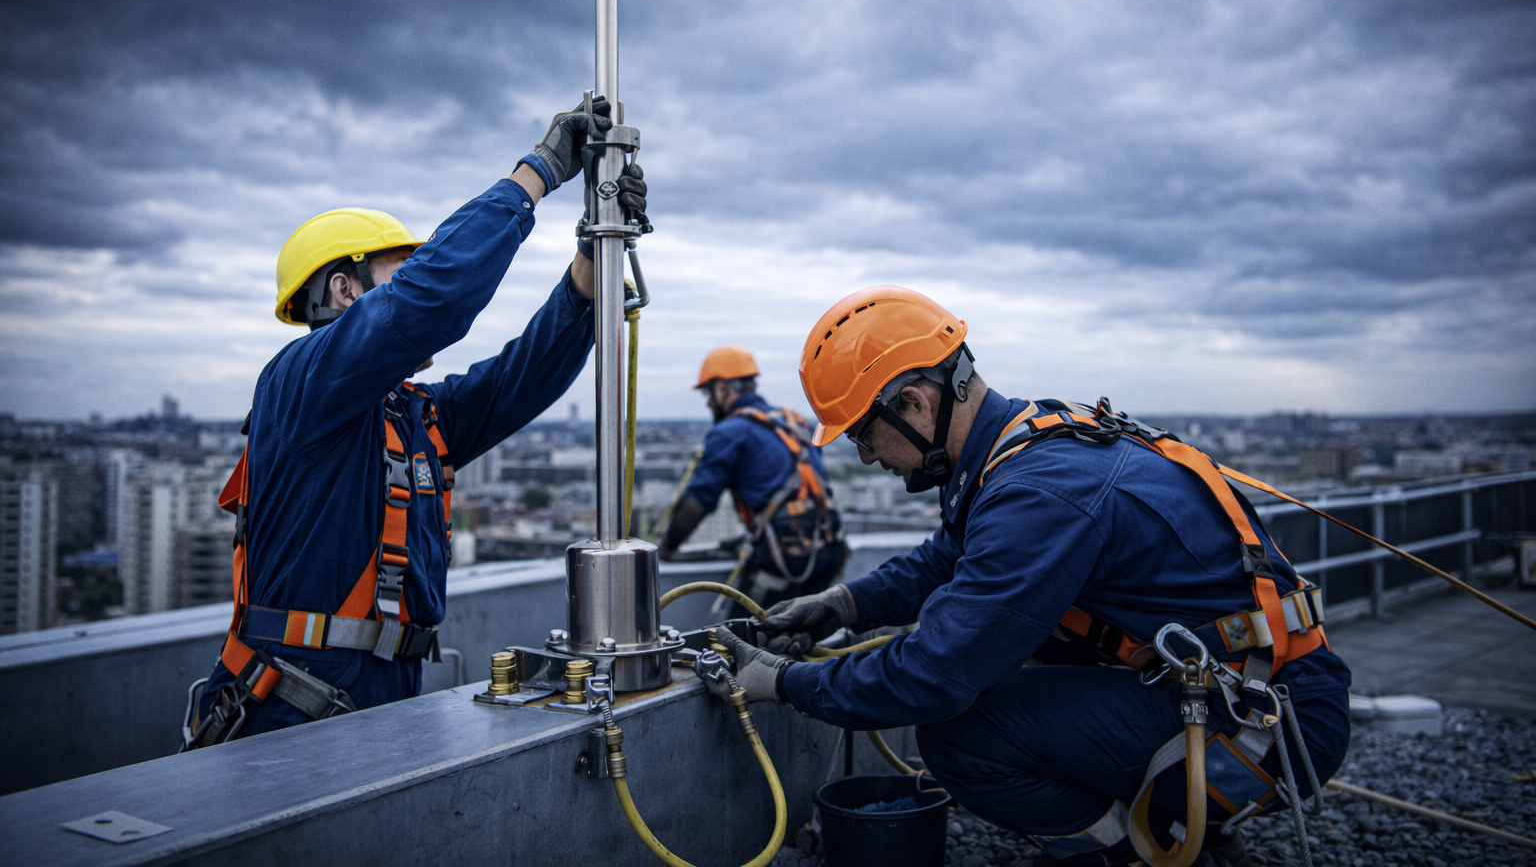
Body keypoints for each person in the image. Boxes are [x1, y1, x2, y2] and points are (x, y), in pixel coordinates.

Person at [704, 286, 1351, 867]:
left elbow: (934, 675)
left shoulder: (1040, 493)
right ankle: (1180, 824)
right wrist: (843, 604)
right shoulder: (1022, 445)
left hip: (1263, 725)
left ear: (913, 402)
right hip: (1244, 689)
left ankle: (1139, 853)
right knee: (1009, 662)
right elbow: (945, 560)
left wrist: (782, 682)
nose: (868, 455)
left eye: (864, 436)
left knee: (960, 732)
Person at [186, 97, 649, 744]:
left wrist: (593, 252)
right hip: (289, 711)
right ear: (345, 291)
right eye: (395, 271)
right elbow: (431, 300)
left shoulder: (411, 416)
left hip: (376, 708)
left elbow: (522, 376)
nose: (412, 278)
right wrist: (537, 172)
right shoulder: (302, 384)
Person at [655, 345, 846, 612]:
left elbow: (698, 501)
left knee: (743, 639)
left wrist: (667, 547)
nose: (708, 402)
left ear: (721, 389)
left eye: (707, 393)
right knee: (801, 636)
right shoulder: (795, 421)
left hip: (785, 557)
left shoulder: (731, 431)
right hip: (829, 546)